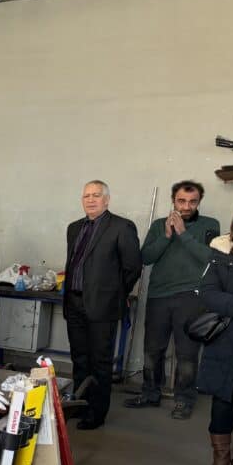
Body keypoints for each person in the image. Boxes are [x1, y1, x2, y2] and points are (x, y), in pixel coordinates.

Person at [125, 181, 219, 419]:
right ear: (173, 201)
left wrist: (183, 234)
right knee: (152, 350)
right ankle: (150, 393)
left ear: (199, 202)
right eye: (181, 201)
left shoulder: (210, 225)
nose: (186, 206)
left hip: (192, 297)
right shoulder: (159, 225)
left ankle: (184, 400)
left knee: (187, 353)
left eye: (192, 201)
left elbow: (210, 258)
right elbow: (146, 257)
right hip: (159, 296)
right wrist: (167, 235)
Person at [63, 181, 142, 430]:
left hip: (102, 305)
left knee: (100, 361)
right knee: (80, 358)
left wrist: (114, 294)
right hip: (74, 302)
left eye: (96, 195)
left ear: (106, 200)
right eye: (86, 195)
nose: (90, 199)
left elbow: (133, 267)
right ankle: (80, 404)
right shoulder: (74, 228)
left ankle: (96, 413)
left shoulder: (121, 227)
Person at [196, 202, 233, 465]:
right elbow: (209, 294)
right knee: (223, 401)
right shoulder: (220, 254)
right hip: (226, 340)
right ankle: (221, 458)